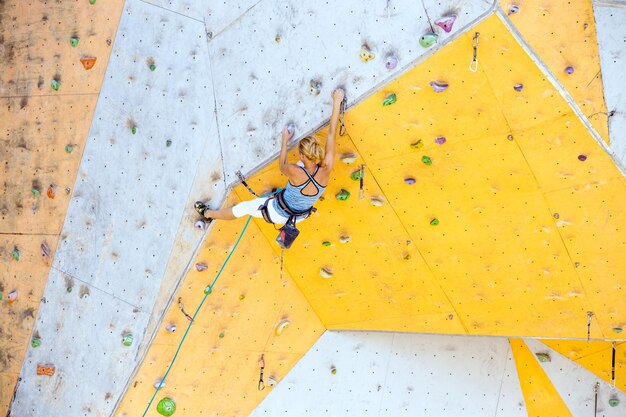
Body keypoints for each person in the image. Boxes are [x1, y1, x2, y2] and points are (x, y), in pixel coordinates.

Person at [195, 87, 345, 224]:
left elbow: (282, 166)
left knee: (243, 208)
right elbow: (331, 134)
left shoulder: (295, 171)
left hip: (279, 214)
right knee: (297, 178)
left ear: (302, 155)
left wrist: (284, 141)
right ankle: (276, 195)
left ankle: (208, 214)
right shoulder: (326, 167)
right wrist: (337, 102)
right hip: (300, 216)